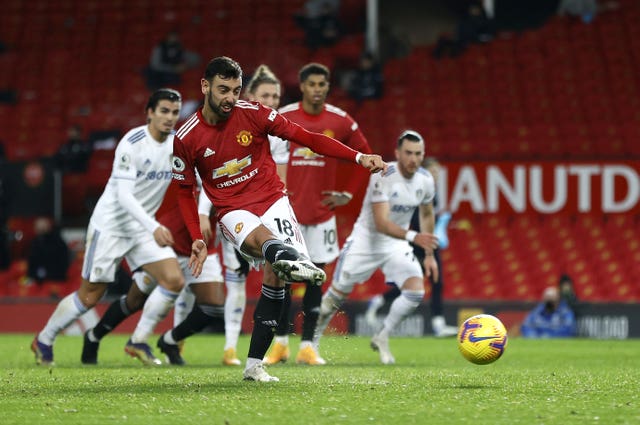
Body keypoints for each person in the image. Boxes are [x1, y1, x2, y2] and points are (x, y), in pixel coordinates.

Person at [171, 56, 386, 382]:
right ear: (205, 86)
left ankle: (253, 366)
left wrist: (358, 156)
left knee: (276, 281)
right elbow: (184, 191)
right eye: (223, 89)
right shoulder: (186, 137)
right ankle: (288, 255)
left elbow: (309, 139)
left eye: (236, 90)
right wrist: (197, 236)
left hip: (273, 200)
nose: (230, 97)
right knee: (267, 246)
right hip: (232, 210)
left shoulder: (254, 114)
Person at [30, 88, 184, 366]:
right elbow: (124, 197)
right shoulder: (132, 143)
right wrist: (153, 226)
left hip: (140, 229)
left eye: (174, 112)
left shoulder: (178, 144)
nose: (169, 118)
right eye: (164, 111)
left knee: (173, 279)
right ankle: (45, 337)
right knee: (90, 296)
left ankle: (138, 340)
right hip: (111, 226)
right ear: (150, 112)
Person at [263, 62, 372, 366]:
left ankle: (308, 346)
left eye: (322, 84)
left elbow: (364, 153)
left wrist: (347, 194)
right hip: (287, 214)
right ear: (302, 86)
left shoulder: (341, 120)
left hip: (322, 215)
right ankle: (281, 344)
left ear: (327, 87)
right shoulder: (284, 116)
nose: (316, 89)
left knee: (315, 280)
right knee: (283, 277)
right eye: (311, 84)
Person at [313, 130, 439, 365]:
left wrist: (429, 254)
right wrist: (414, 236)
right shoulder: (383, 174)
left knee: (415, 292)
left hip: (396, 244)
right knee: (335, 297)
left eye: (418, 154)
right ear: (397, 153)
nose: (414, 159)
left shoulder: (425, 180)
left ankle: (382, 335)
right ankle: (311, 342)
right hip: (365, 241)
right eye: (409, 153)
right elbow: (381, 224)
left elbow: (427, 212)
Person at [80, 178, 227, 366]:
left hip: (202, 246)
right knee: (135, 299)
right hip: (170, 240)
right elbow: (205, 184)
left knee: (214, 306)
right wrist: (204, 212)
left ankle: (169, 341)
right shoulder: (192, 159)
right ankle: (95, 336)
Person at [364, 157, 457, 337]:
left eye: (438, 172)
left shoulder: (432, 192)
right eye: (433, 172)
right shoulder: (417, 190)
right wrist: (437, 223)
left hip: (429, 242)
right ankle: (380, 300)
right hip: (418, 242)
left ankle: (439, 324)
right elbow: (415, 219)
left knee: (436, 282)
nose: (436, 175)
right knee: (414, 282)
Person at [26, 217, 71, 286]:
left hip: (55, 280)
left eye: (42, 228)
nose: (40, 231)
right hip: (37, 280)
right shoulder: (35, 242)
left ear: (49, 227)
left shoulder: (58, 243)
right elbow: (31, 263)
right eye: (38, 228)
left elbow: (62, 265)